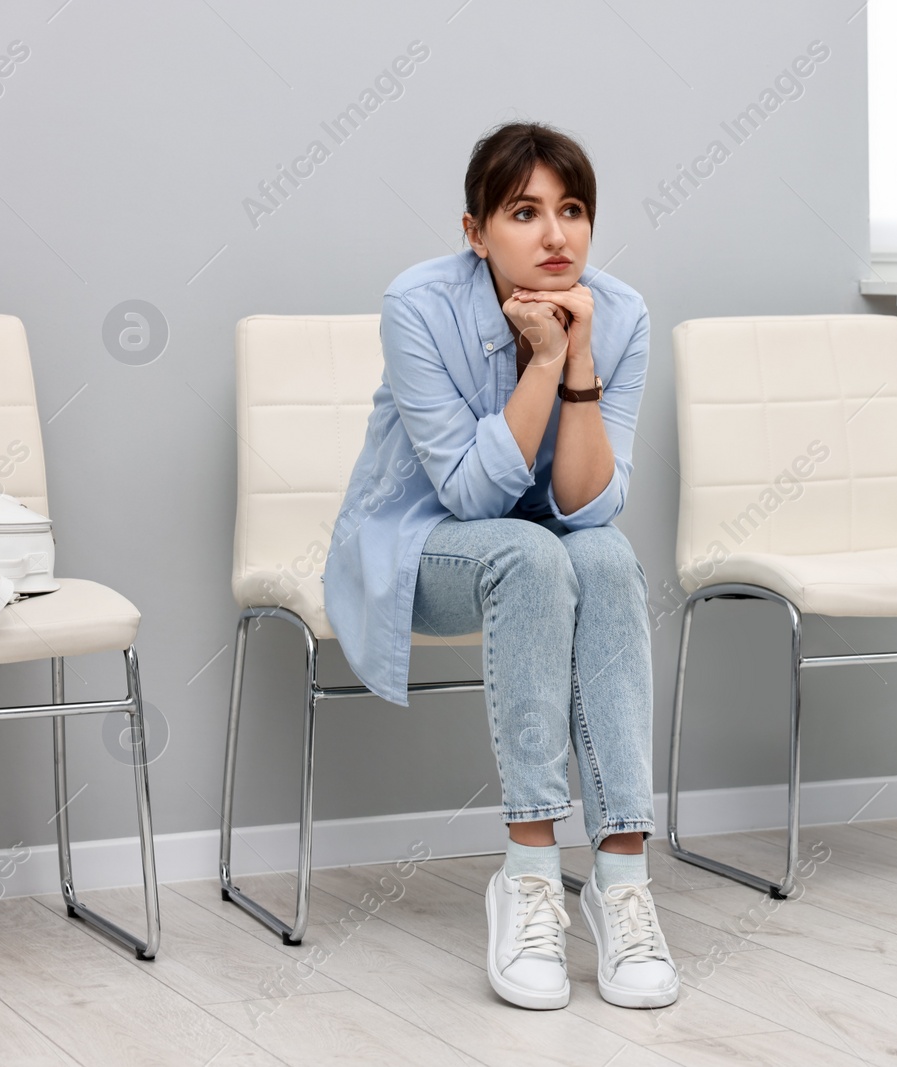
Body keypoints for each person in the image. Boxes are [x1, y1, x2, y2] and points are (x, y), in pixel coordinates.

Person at [323, 121, 677, 1010]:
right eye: (525, 212)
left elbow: (590, 507)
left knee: (599, 556)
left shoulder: (621, 312)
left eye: (573, 211)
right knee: (528, 551)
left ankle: (622, 881)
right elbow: (472, 498)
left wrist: (582, 356)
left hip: (545, 555)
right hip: (414, 549)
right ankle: (527, 872)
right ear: (476, 231)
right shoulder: (418, 305)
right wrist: (543, 364)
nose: (556, 236)